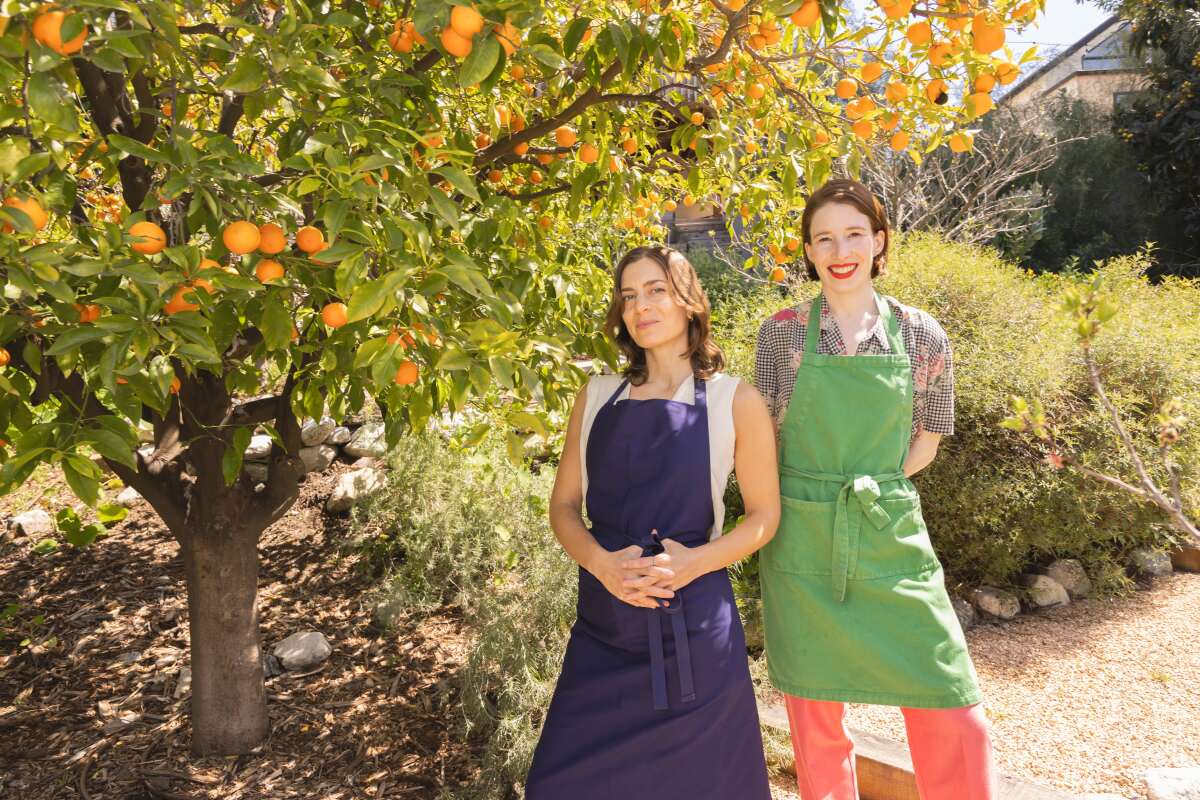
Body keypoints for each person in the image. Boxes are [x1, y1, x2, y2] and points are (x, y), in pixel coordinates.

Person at [754, 178, 997, 800]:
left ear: (879, 240)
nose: (841, 249)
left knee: (953, 709)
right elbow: (760, 439)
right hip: (803, 540)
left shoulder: (921, 332)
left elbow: (928, 439)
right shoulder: (780, 332)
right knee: (816, 723)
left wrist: (873, 486)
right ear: (808, 251)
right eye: (824, 237)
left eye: (854, 234)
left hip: (889, 531)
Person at [526, 245, 780, 799]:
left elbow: (764, 518)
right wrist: (600, 564)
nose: (641, 306)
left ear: (689, 299)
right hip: (603, 632)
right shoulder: (595, 396)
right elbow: (564, 507)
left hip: (694, 637)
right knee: (557, 785)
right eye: (629, 295)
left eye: (656, 290)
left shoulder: (735, 401)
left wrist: (694, 563)